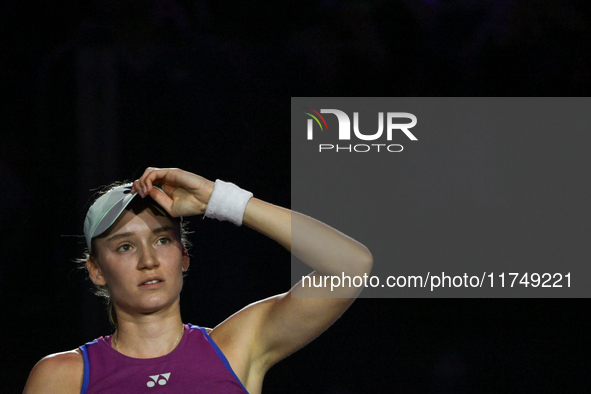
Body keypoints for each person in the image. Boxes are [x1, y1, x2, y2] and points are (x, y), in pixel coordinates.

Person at [23, 167, 373, 394]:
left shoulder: (235, 348)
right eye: (126, 246)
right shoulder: (61, 378)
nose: (148, 261)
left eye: (162, 240)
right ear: (97, 270)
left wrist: (222, 201)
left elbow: (352, 265)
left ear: (184, 256)